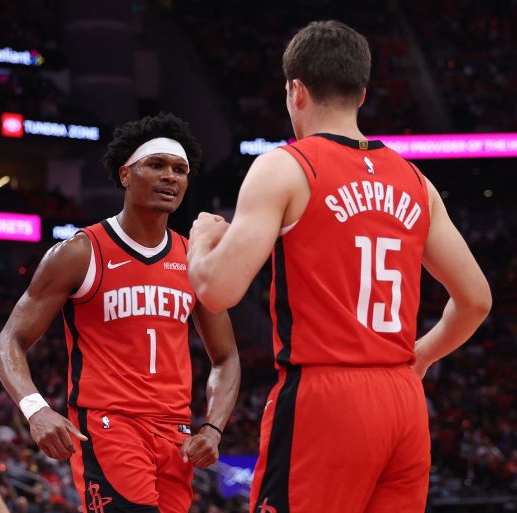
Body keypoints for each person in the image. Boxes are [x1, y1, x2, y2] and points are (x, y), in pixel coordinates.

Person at [187, 20, 492, 513]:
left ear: (296, 90)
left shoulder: (286, 166)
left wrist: (200, 243)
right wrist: (422, 357)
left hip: (326, 398)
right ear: (363, 92)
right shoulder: (416, 181)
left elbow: (218, 291)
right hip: (403, 401)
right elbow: (477, 300)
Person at [0, 113, 240, 513]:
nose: (170, 177)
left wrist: (212, 426)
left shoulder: (194, 259)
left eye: (180, 170)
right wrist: (36, 409)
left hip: (176, 434)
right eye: (156, 165)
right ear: (126, 174)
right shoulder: (79, 252)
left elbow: (226, 357)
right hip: (110, 425)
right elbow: (10, 341)